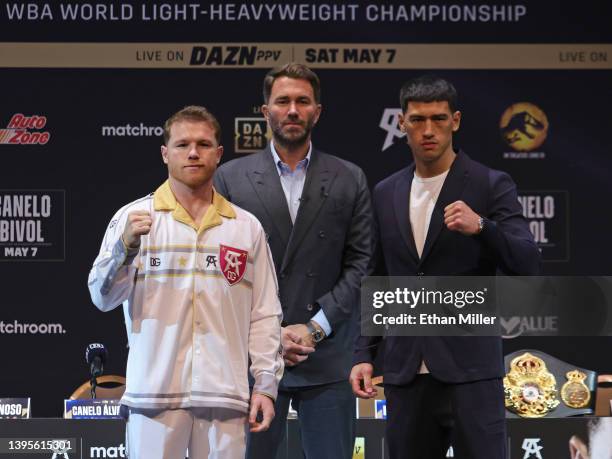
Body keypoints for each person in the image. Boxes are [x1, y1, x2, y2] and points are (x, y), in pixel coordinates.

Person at [350, 75, 540, 459]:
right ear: (401, 123)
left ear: (456, 120)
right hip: (405, 373)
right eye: (418, 120)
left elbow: (527, 260)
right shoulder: (386, 191)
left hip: (470, 373)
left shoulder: (490, 184)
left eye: (438, 119)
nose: (428, 131)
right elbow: (378, 279)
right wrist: (363, 354)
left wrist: (483, 227)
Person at [88, 106, 283, 459]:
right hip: (153, 397)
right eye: (182, 145)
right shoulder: (133, 218)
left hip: (224, 396)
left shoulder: (245, 227)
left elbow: (265, 314)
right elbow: (102, 297)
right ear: (165, 154)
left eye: (203, 144)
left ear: (218, 154)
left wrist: (266, 386)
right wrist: (125, 247)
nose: (193, 152)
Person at [214, 63, 372, 459]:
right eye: (282, 101)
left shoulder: (349, 177)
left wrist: (313, 329)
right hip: (253, 362)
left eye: (303, 101)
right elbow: (218, 270)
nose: (293, 110)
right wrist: (273, 337)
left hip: (326, 356)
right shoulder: (230, 179)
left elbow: (362, 264)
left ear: (317, 111)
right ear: (265, 111)